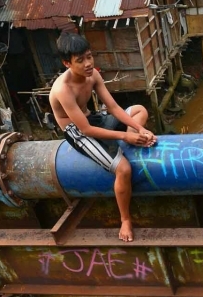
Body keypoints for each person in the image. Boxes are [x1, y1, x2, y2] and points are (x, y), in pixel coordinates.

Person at [49, 32, 157, 243]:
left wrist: (138, 129)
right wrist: (126, 137)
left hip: (94, 119)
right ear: (67, 63)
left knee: (140, 111)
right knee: (124, 169)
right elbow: (86, 130)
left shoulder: (93, 75)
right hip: (78, 132)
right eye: (80, 60)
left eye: (89, 56)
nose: (88, 63)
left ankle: (132, 138)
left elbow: (114, 107)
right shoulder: (63, 90)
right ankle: (125, 219)